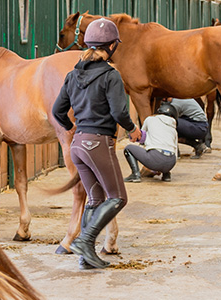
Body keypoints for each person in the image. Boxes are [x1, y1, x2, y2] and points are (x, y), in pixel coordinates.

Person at [51, 18, 137, 269]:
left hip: (78, 145)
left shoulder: (72, 75)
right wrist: (133, 130)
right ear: (111, 46)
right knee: (119, 198)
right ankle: (86, 241)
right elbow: (120, 113)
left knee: (95, 199)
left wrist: (71, 129)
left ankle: (84, 258)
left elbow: (57, 112)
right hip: (98, 144)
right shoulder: (111, 76)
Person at [123, 103, 179, 183]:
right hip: (171, 163)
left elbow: (141, 136)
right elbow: (175, 151)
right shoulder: (174, 130)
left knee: (128, 148)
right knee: (166, 147)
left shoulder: (150, 119)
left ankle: (135, 175)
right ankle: (166, 175)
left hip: (155, 159)